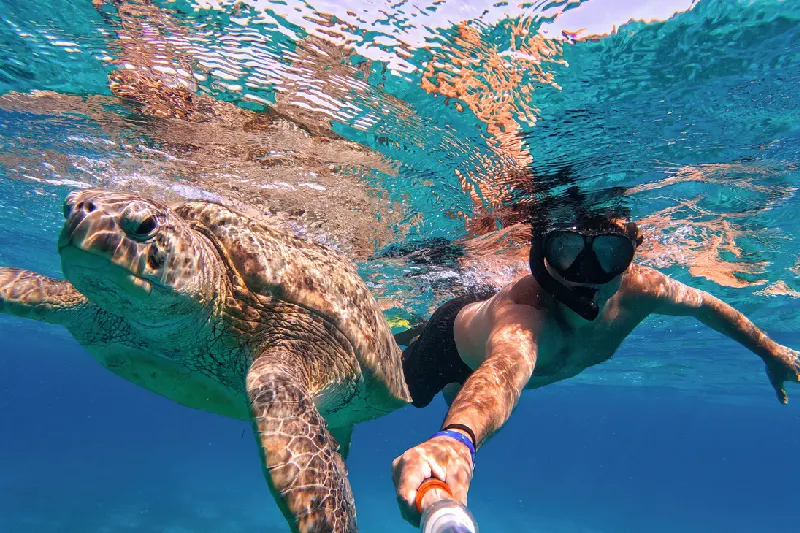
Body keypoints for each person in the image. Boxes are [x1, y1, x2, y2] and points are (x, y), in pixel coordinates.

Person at [392, 211, 800, 526]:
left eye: (609, 254)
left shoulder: (642, 289)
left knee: (452, 396)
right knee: (391, 392)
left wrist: (769, 351)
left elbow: (706, 306)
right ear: (544, 257)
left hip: (476, 357)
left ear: (629, 258)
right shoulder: (526, 313)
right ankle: (414, 331)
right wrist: (457, 441)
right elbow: (504, 369)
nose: (586, 274)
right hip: (449, 346)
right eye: (567, 251)